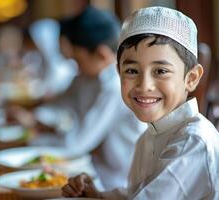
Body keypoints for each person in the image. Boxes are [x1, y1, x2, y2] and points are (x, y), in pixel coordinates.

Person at [62, 6, 219, 199]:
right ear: (119, 73)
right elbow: (139, 193)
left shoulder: (193, 143)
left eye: (160, 71)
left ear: (191, 78)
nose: (145, 85)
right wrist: (98, 195)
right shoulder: (149, 136)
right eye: (132, 71)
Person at [24, 5, 146, 189]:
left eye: (78, 60)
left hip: (119, 183)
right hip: (94, 168)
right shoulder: (88, 77)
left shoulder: (115, 87)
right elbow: (61, 104)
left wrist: (32, 140)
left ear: (101, 54)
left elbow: (76, 144)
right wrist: (33, 117)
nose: (75, 66)